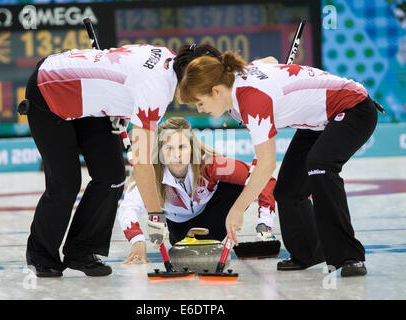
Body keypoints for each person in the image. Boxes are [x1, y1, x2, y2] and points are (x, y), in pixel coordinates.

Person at [23, 43, 228, 277]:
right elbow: (142, 166)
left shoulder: (169, 59)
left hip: (89, 101)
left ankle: (81, 250)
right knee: (65, 183)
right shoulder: (157, 89)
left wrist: (121, 106)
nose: (198, 101)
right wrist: (155, 215)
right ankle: (41, 255)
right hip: (51, 89)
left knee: (112, 176)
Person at [179, 51, 379, 277]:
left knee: (320, 165)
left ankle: (350, 256)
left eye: (199, 102)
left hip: (352, 108)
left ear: (216, 90)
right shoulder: (235, 76)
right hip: (318, 121)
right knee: (287, 190)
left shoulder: (252, 99)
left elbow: (266, 164)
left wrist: (236, 210)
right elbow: (270, 61)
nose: (200, 109)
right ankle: (309, 252)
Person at [117, 117, 277, 264]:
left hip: (216, 220)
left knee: (240, 184)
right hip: (179, 231)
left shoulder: (211, 165)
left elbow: (264, 179)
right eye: (169, 148)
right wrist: (137, 241)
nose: (176, 155)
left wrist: (264, 225)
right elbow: (128, 208)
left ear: (192, 148)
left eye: (182, 147)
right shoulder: (150, 173)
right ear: (160, 151)